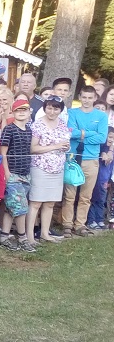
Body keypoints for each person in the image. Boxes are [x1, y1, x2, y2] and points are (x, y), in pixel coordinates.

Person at [62, 85, 107, 237]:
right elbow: (70, 132)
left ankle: (80, 224)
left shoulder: (101, 116)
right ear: (79, 97)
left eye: (90, 98)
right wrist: (89, 134)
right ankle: (67, 223)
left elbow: (101, 138)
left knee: (85, 195)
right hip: (73, 157)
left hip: (91, 159)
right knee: (69, 194)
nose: (87, 101)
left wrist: (81, 134)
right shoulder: (72, 113)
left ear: (95, 98)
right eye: (84, 97)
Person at [27, 95, 70, 244]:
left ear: (60, 110)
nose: (52, 111)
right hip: (40, 167)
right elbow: (33, 148)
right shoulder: (37, 125)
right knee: (36, 202)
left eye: (55, 108)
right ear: (44, 108)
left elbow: (64, 143)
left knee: (50, 203)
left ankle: (45, 233)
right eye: (49, 107)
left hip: (57, 168)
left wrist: (65, 147)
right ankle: (30, 236)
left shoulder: (63, 124)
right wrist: (55, 147)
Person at [0, 95, 36, 251]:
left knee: (11, 207)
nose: (21, 112)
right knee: (21, 208)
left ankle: (4, 237)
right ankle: (22, 238)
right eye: (18, 110)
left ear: (29, 112)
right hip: (13, 173)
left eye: (24, 110)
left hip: (25, 172)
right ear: (12, 112)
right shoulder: (9, 129)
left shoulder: (29, 130)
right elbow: (3, 152)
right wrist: (6, 172)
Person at [87, 127, 114, 230]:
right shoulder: (99, 150)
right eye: (110, 137)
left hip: (105, 179)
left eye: (113, 138)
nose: (111, 140)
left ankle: (99, 219)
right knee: (94, 198)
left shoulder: (110, 151)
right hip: (96, 178)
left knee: (102, 199)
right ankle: (91, 220)